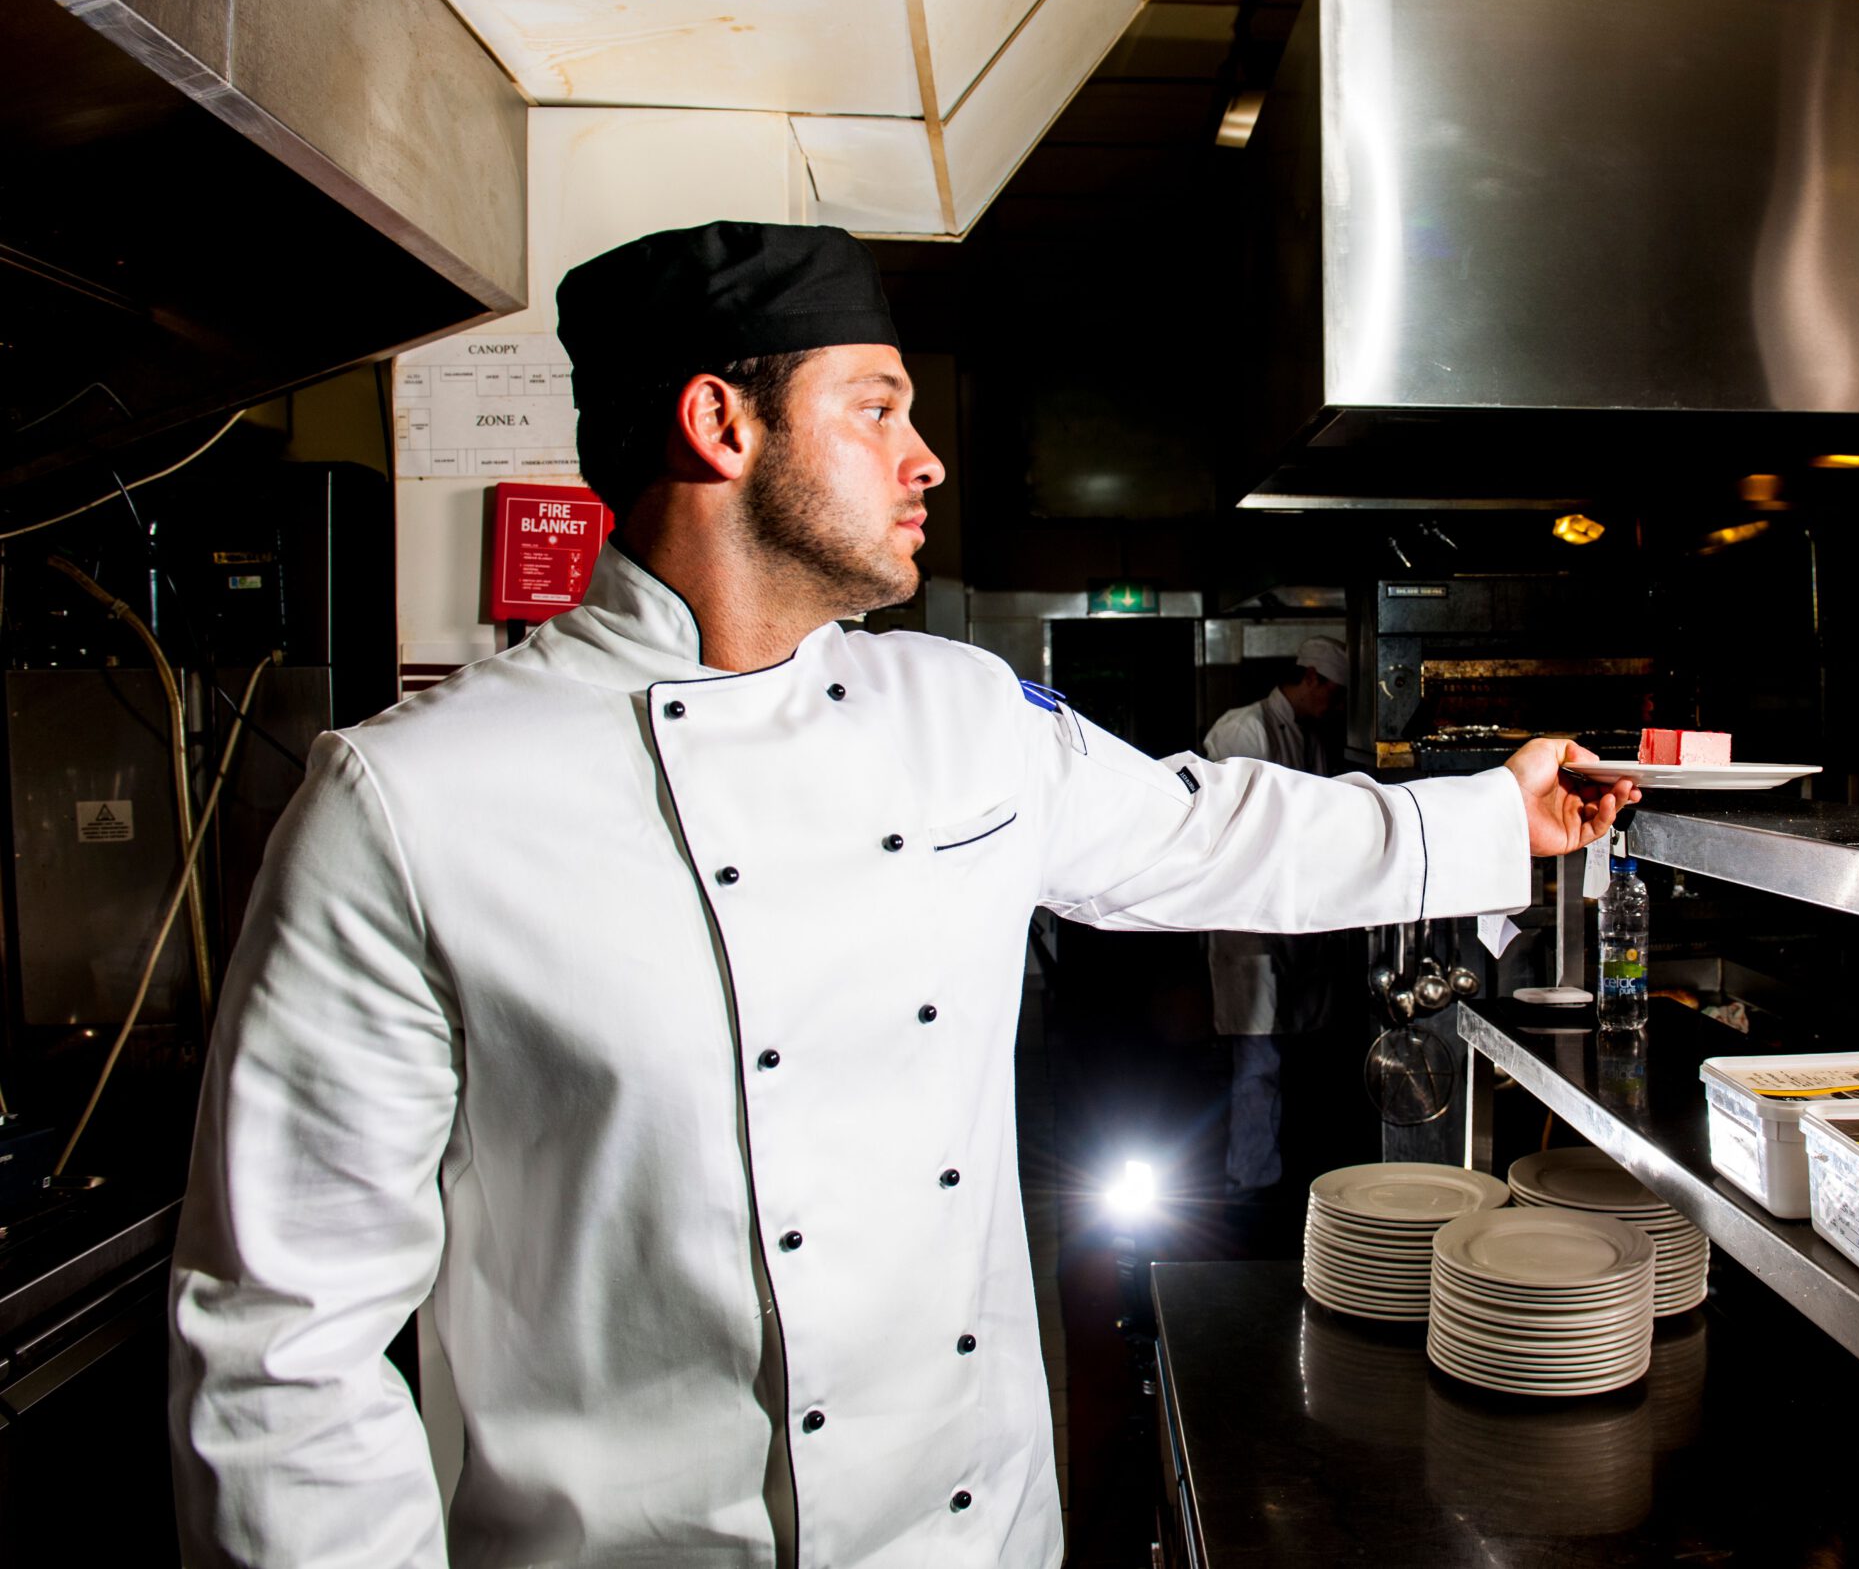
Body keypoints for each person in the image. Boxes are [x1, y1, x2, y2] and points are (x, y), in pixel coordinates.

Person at [166, 221, 1639, 1569]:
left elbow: (1213, 831)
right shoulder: (414, 801)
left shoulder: (959, 710)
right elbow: (286, 1348)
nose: (926, 459)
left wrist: (1492, 815)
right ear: (721, 424)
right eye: (877, 408)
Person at [1199, 639, 1348, 1199]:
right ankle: (1250, 1184)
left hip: (1295, 920)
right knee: (1257, 1059)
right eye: (1333, 694)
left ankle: (1291, 1183)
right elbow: (1238, 831)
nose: (1335, 706)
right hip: (1249, 921)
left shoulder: (1309, 737)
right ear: (1312, 678)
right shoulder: (1242, 730)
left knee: (1293, 1056)